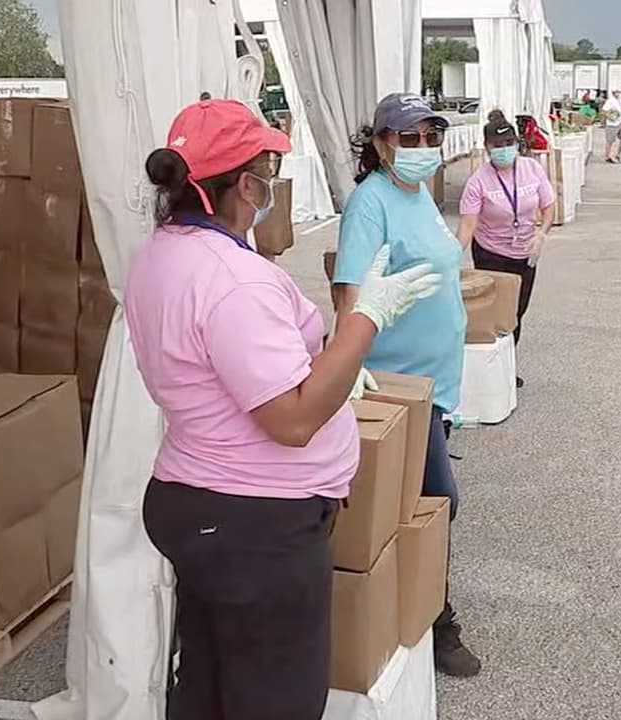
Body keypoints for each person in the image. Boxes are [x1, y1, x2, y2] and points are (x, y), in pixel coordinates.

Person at [126, 99, 440, 719]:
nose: (274, 188)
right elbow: (292, 422)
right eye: (269, 172)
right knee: (275, 700)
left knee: (210, 687)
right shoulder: (234, 280)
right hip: (253, 525)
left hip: (201, 501)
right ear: (245, 185)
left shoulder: (164, 251)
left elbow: (238, 374)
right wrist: (367, 319)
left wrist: (332, 365)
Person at [331, 92, 483, 678]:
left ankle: (415, 606)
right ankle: (438, 621)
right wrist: (347, 358)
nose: (422, 149)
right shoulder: (371, 204)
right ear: (380, 143)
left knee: (426, 503)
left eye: (430, 137)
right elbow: (351, 291)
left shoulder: (418, 195)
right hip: (400, 386)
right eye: (408, 138)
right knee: (435, 505)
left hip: (436, 386)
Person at [457, 116, 557, 384]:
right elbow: (468, 225)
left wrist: (542, 232)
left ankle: (507, 366)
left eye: (509, 142)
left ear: (517, 143)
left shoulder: (532, 169)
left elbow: (548, 206)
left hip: (526, 252)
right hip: (491, 252)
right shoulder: (478, 181)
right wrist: (452, 256)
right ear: (487, 148)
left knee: (516, 312)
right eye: (498, 144)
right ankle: (492, 372)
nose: (504, 149)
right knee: (493, 313)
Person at [603, 90, 621, 163]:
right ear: (613, 93)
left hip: (620, 123)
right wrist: (612, 115)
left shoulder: (620, 101)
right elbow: (604, 111)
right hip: (612, 124)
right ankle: (608, 156)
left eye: (619, 92)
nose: (618, 94)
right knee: (611, 141)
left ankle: (618, 154)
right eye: (616, 92)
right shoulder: (610, 101)